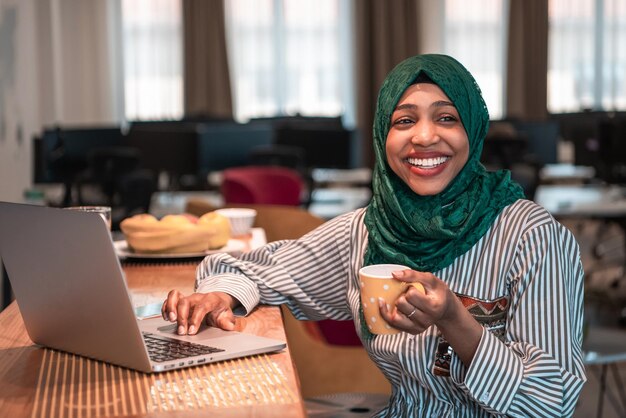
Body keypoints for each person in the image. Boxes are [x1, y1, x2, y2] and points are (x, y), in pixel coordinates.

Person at [162, 54, 586, 417]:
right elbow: (250, 267)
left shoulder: (533, 238)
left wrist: (455, 320)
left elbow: (554, 403)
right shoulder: (367, 230)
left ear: (472, 130)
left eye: (447, 118)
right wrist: (220, 295)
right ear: (384, 137)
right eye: (404, 120)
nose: (423, 136)